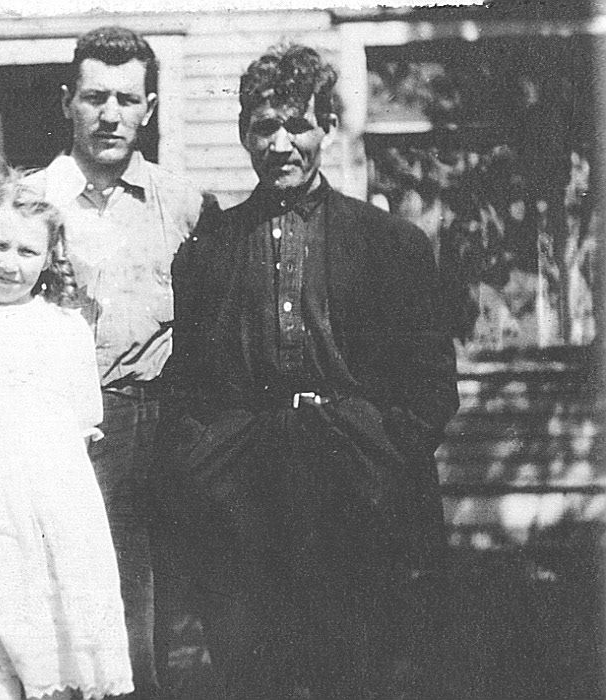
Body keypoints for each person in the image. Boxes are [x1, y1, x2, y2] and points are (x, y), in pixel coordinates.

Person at [154, 43, 460, 699]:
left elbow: (431, 386)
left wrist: (379, 453)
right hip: (246, 496)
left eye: (297, 125)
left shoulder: (390, 244)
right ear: (244, 133)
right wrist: (208, 466)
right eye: (264, 127)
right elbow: (188, 384)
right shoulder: (208, 252)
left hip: (357, 492)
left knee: (357, 673)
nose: (281, 144)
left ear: (328, 127)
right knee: (254, 675)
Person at [26, 26, 215, 698]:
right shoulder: (28, 202)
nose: (111, 115)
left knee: (159, 610)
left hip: (158, 425)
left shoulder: (185, 205)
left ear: (150, 108)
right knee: (66, 608)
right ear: (67, 102)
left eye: (127, 100)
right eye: (95, 97)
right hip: (58, 429)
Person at [0, 179, 134, 700]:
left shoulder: (64, 329)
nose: (8, 264)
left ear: (49, 259)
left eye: (27, 251)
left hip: (49, 527)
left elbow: (80, 432)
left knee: (52, 656)